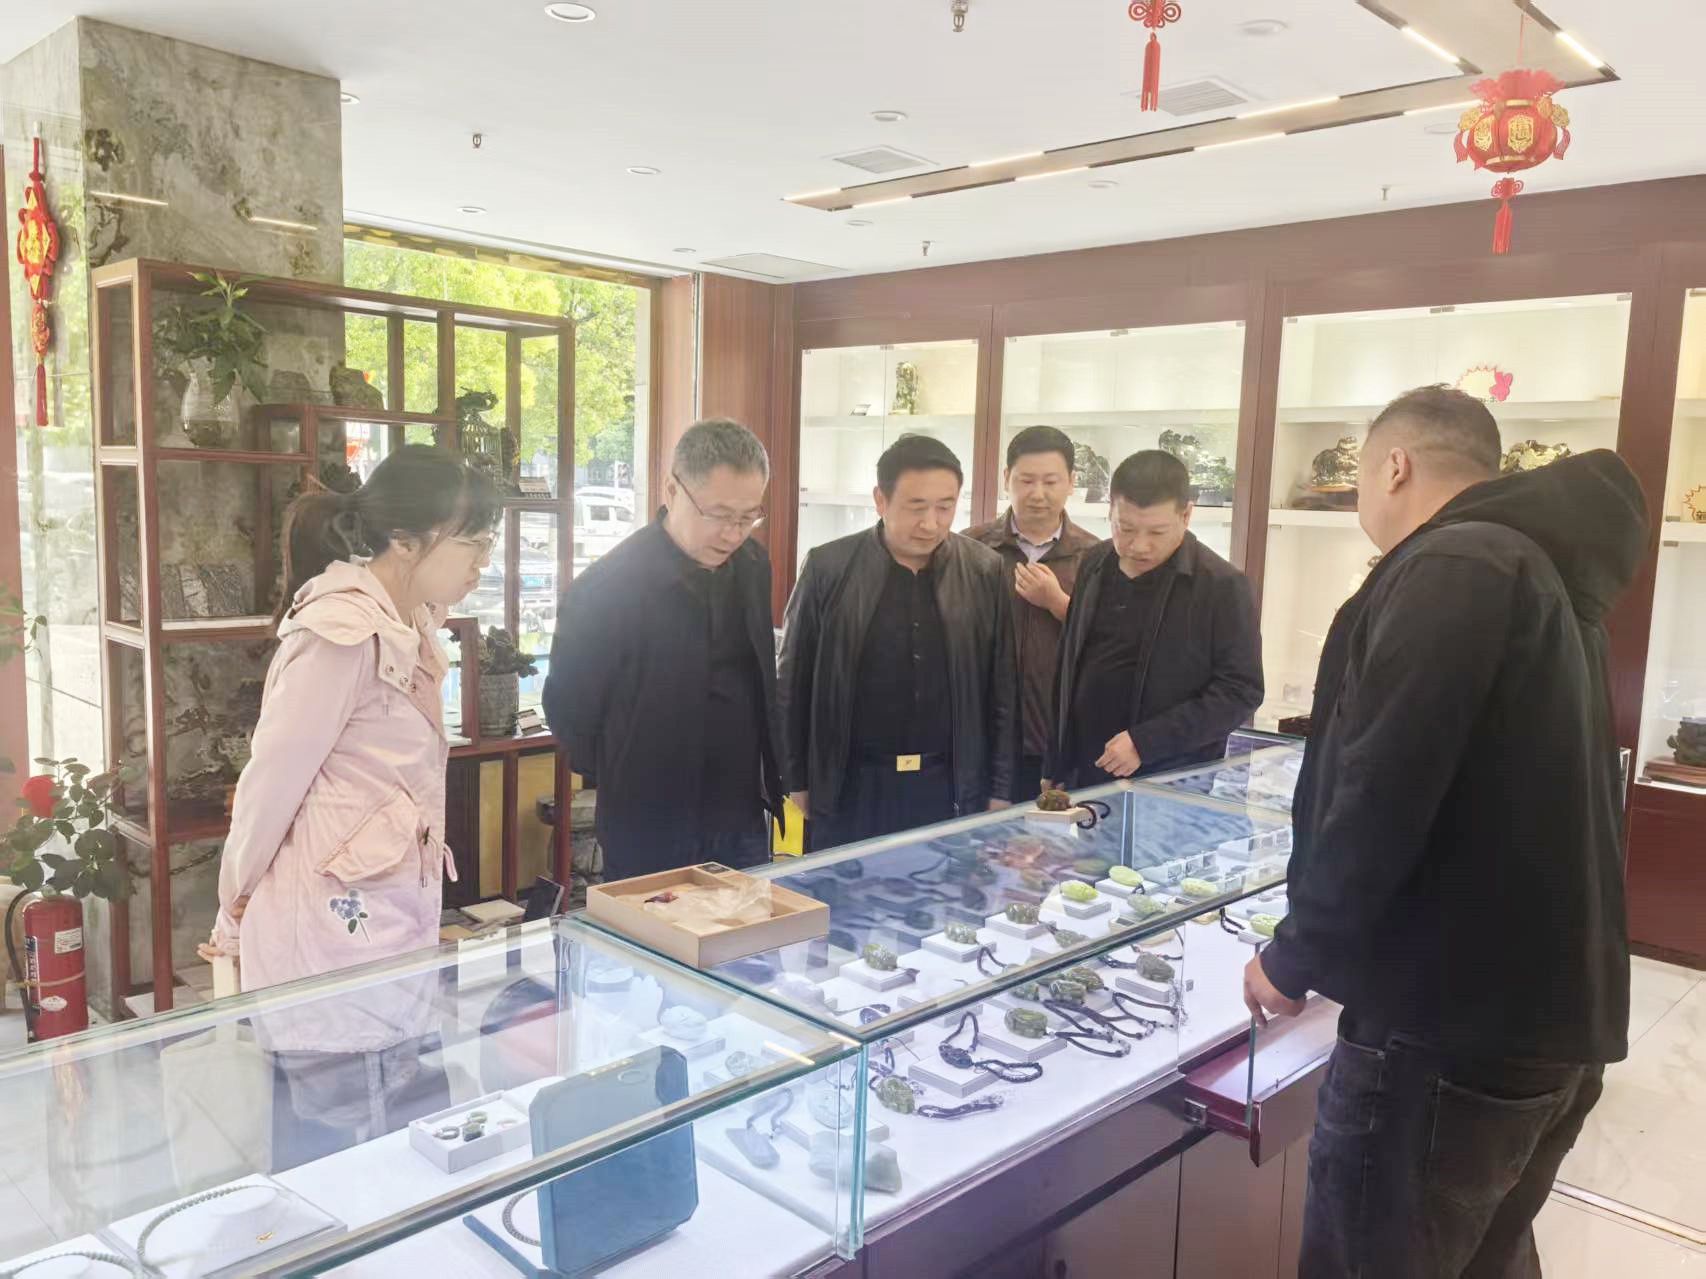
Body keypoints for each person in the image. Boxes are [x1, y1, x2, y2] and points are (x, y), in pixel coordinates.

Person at [1242, 386, 1646, 1278]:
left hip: (1444, 1030)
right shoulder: (1541, 570)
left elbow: (1383, 786)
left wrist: (1297, 952)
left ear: (1395, 465)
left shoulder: (1455, 565)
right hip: (1542, 1021)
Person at [199, 446, 499, 1165]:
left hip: (382, 927)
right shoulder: (340, 633)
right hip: (331, 941)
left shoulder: (409, 621)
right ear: (406, 541)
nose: (483, 563)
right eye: (473, 543)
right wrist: (233, 909)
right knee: (341, 1158)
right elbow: (270, 787)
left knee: (397, 1147)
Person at [543, 418, 783, 878]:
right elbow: (571, 713)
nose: (733, 534)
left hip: (739, 812)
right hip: (648, 819)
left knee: (745, 922)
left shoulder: (753, 565)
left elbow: (758, 680)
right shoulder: (608, 588)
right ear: (672, 490)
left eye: (747, 517)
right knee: (650, 923)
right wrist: (629, 765)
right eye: (719, 515)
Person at [780, 434, 1016, 850]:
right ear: (881, 500)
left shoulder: (984, 570)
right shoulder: (828, 567)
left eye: (945, 507)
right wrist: (795, 779)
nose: (931, 523)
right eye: (916, 507)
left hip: (948, 785)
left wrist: (1000, 788)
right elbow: (792, 681)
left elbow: (1002, 690)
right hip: (851, 784)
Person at [1045, 449, 1261, 786]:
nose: (1139, 546)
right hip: (1087, 770)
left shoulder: (1221, 585)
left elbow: (1241, 691)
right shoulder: (1096, 562)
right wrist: (1056, 763)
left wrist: (1146, 742)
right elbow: (1071, 664)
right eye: (1126, 528)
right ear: (1110, 511)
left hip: (1170, 779)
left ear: (1186, 515)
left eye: (1157, 532)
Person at [968, 426, 1100, 800]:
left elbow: (1110, 646)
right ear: (1006, 478)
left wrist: (1059, 604)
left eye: (1050, 481)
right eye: (1026, 480)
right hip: (982, 742)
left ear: (1071, 482)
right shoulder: (971, 547)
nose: (1038, 493)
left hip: (1056, 746)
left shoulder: (1096, 557)